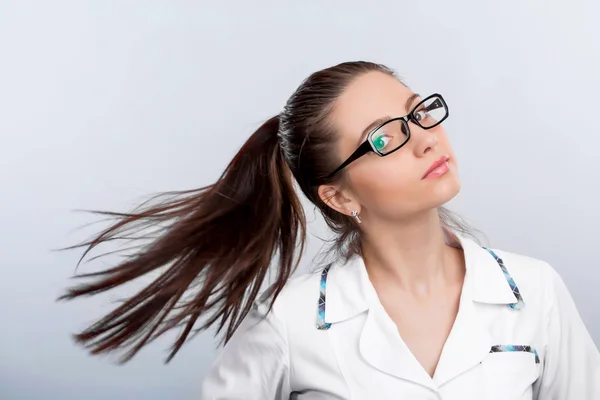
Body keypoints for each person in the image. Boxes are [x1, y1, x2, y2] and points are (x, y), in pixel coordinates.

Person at [62, 61, 600, 399]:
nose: (425, 141)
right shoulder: (288, 324)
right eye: (385, 139)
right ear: (339, 196)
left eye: (419, 114)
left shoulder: (536, 292)